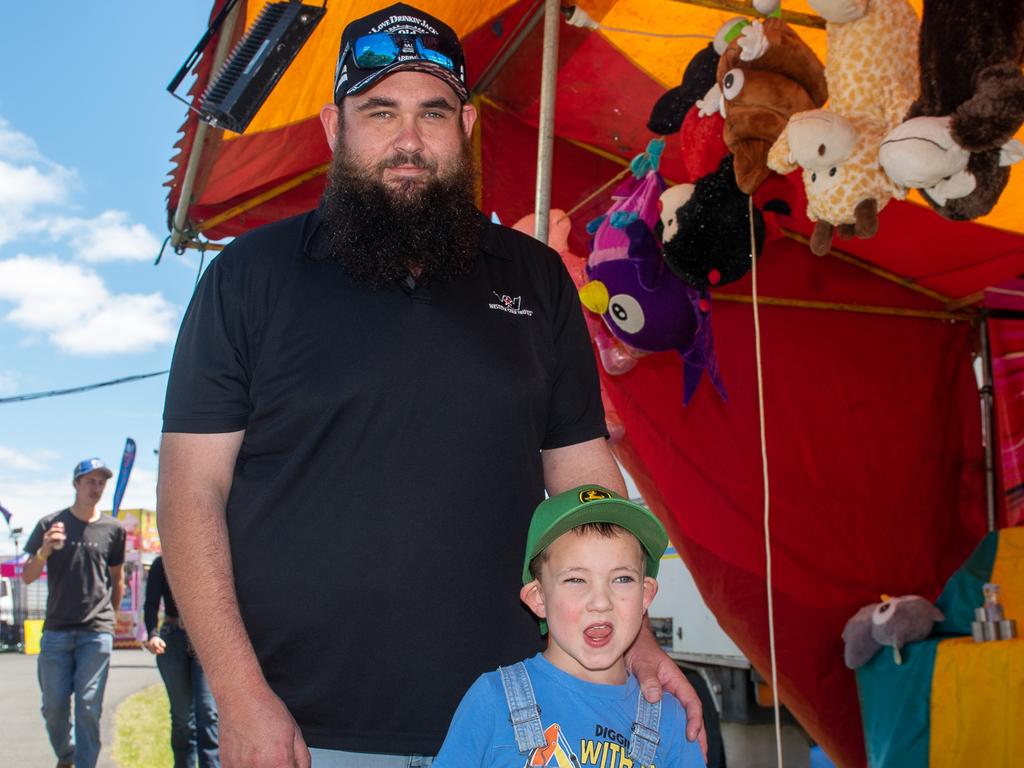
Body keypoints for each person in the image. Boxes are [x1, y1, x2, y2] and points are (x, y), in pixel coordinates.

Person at [157, 4, 703, 767]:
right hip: (305, 731)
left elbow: (582, 484)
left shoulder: (535, 278)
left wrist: (636, 639)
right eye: (380, 112)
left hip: (523, 722)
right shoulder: (246, 279)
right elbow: (189, 494)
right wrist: (241, 696)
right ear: (333, 127)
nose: (408, 140)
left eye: (432, 113)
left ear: (467, 128)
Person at [434, 485, 706, 767]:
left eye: (622, 578)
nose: (601, 602)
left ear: (645, 595)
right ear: (539, 598)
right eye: (576, 580)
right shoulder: (492, 701)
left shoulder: (670, 721)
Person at [22, 458, 126, 768]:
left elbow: (117, 578)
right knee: (53, 707)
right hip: (56, 631)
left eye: (101, 482)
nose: (96, 488)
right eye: (90, 481)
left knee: (88, 705)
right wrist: (43, 551)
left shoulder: (114, 529)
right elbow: (27, 577)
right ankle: (66, 756)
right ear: (75, 484)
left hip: (96, 631)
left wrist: (112, 619)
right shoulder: (49, 524)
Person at [143, 555, 220, 768]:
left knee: (208, 712)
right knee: (182, 717)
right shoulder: (162, 563)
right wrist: (152, 634)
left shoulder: (210, 559)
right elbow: (151, 603)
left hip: (204, 638)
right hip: (173, 637)